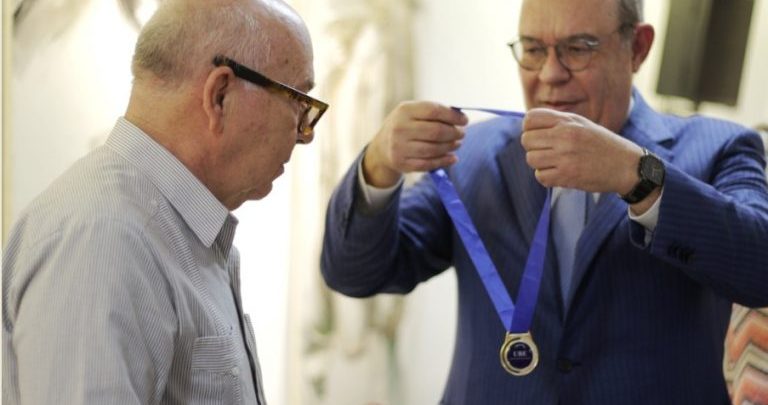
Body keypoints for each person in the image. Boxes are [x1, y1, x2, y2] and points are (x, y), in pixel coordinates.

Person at [320, 0, 768, 403]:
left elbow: (759, 268)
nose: (550, 73)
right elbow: (355, 273)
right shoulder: (471, 155)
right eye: (533, 50)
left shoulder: (719, 148)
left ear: (638, 48)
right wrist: (378, 165)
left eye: (579, 48)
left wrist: (636, 176)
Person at [2, 0, 327, 403]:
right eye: (298, 101)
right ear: (220, 94)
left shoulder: (178, 230)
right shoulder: (104, 239)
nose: (304, 133)